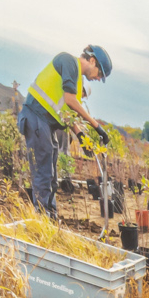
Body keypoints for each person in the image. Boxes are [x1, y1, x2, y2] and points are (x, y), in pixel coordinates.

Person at [16, 45, 112, 217]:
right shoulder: (68, 61)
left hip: (47, 124)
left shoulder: (77, 78)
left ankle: (51, 218)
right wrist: (96, 126)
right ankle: (42, 220)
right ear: (92, 60)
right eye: (100, 73)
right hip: (36, 117)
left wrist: (81, 136)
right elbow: (69, 101)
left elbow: (68, 113)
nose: (98, 78)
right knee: (43, 174)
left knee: (51, 176)